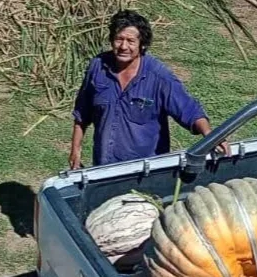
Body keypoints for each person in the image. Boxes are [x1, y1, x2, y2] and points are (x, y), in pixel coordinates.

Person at [70, 10, 226, 169]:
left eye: (130, 41)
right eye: (119, 39)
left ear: (142, 44)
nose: (124, 46)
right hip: (104, 169)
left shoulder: (158, 76)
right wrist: (75, 151)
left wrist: (210, 135)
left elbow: (189, 109)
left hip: (146, 172)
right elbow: (82, 113)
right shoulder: (98, 67)